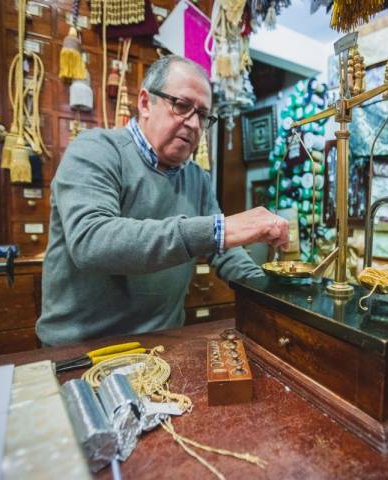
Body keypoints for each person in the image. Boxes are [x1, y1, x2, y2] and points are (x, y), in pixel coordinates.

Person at [36, 55, 288, 346]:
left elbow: (222, 251)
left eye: (203, 115)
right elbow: (92, 241)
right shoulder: (95, 150)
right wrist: (219, 230)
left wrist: (267, 291)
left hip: (161, 343)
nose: (194, 124)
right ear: (145, 103)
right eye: (181, 106)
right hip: (82, 348)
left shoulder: (197, 177)